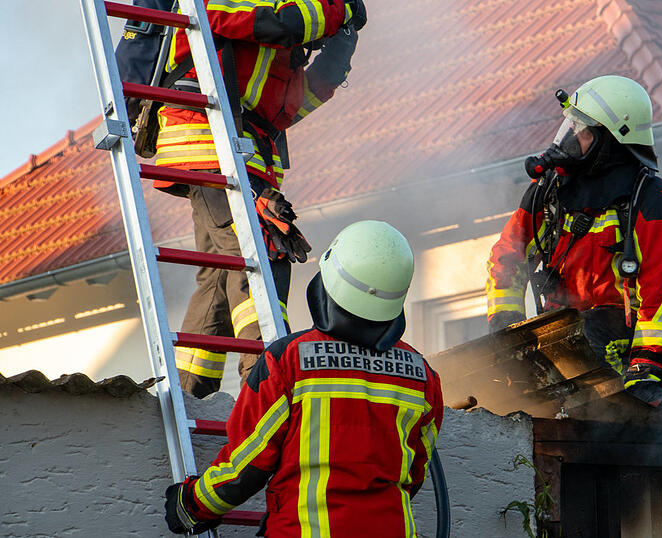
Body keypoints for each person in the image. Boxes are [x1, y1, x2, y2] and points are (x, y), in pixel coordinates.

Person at [163, 220, 444, 536]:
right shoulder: (423, 376)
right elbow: (414, 473)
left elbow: (246, 468)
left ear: (328, 280)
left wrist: (189, 505)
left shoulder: (289, 360)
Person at [152, 0, 367, 398]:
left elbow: (292, 105)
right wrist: (340, 11)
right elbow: (280, 23)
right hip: (210, 140)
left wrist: (341, 48)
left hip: (243, 154)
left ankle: (190, 393)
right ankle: (267, 386)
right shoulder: (244, 11)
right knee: (264, 254)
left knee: (221, 275)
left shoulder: (273, 49)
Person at [486, 75, 662, 406]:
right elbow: (507, 258)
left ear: (610, 140)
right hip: (556, 341)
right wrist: (506, 334)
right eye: (572, 126)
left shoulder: (654, 203)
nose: (571, 137)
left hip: (618, 347)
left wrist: (645, 369)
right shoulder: (549, 192)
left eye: (582, 130)